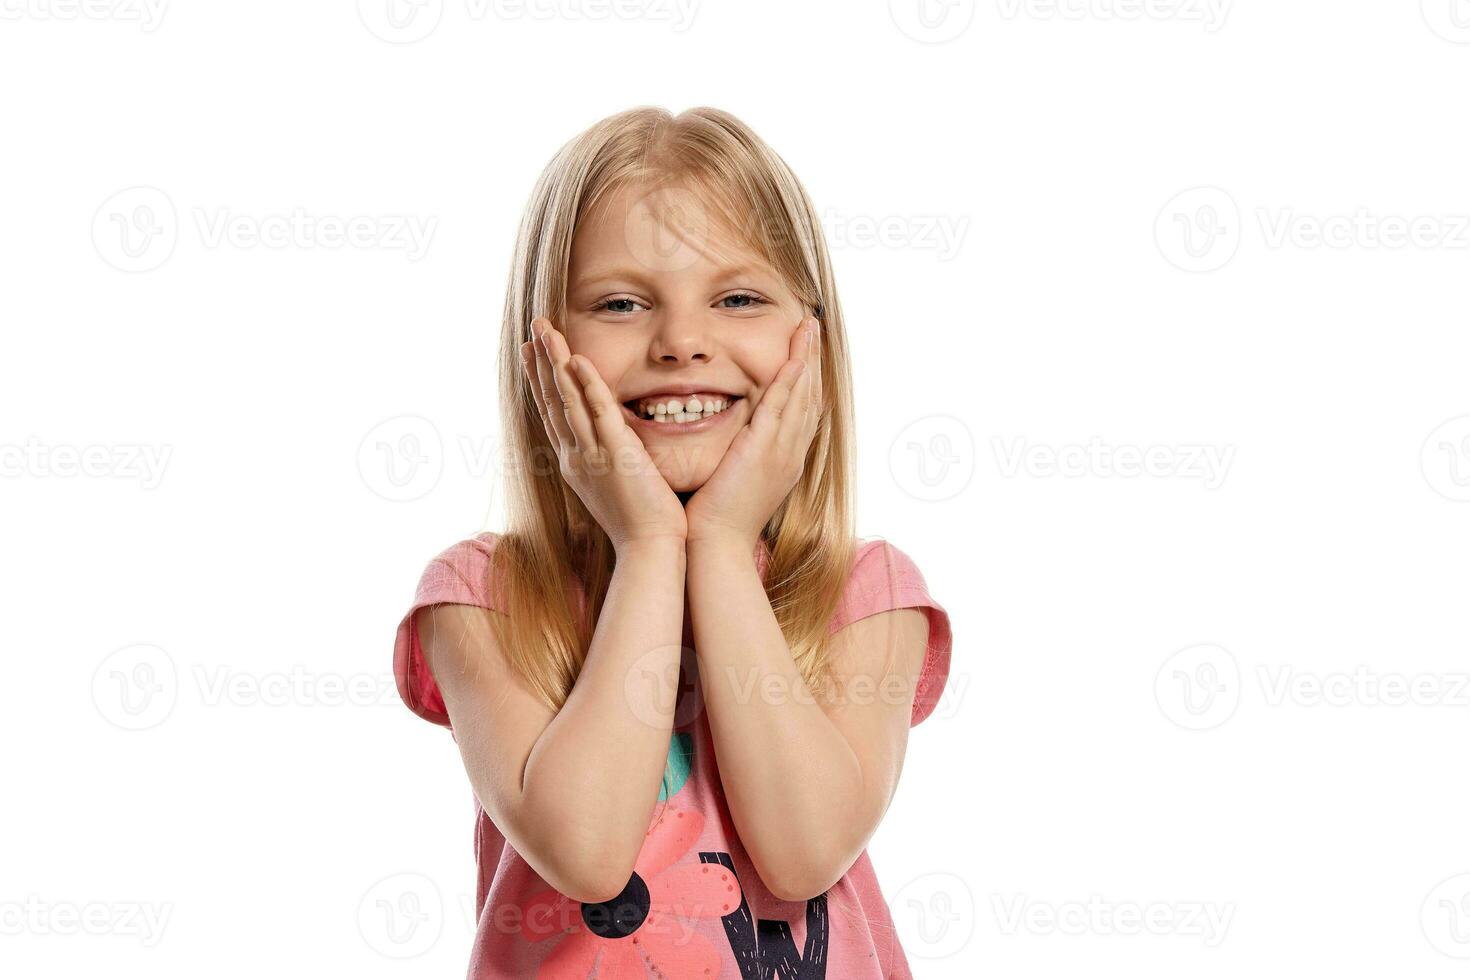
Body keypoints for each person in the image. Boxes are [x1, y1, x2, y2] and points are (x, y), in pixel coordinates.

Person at [391, 105, 954, 979]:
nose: (682, 343)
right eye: (620, 303)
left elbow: (805, 851)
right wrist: (652, 545)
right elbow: (585, 852)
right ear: (543, 347)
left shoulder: (865, 596)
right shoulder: (483, 598)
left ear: (814, 340)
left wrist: (722, 544)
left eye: (737, 298)